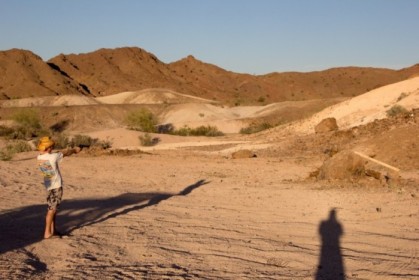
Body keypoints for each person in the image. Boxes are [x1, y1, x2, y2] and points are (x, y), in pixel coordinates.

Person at [37, 136, 66, 239]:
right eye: (52, 146)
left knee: (53, 208)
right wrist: (76, 150)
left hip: (49, 186)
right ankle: (47, 233)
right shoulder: (53, 157)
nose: (53, 148)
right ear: (48, 147)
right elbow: (66, 153)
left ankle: (53, 230)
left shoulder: (40, 157)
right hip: (56, 186)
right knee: (51, 210)